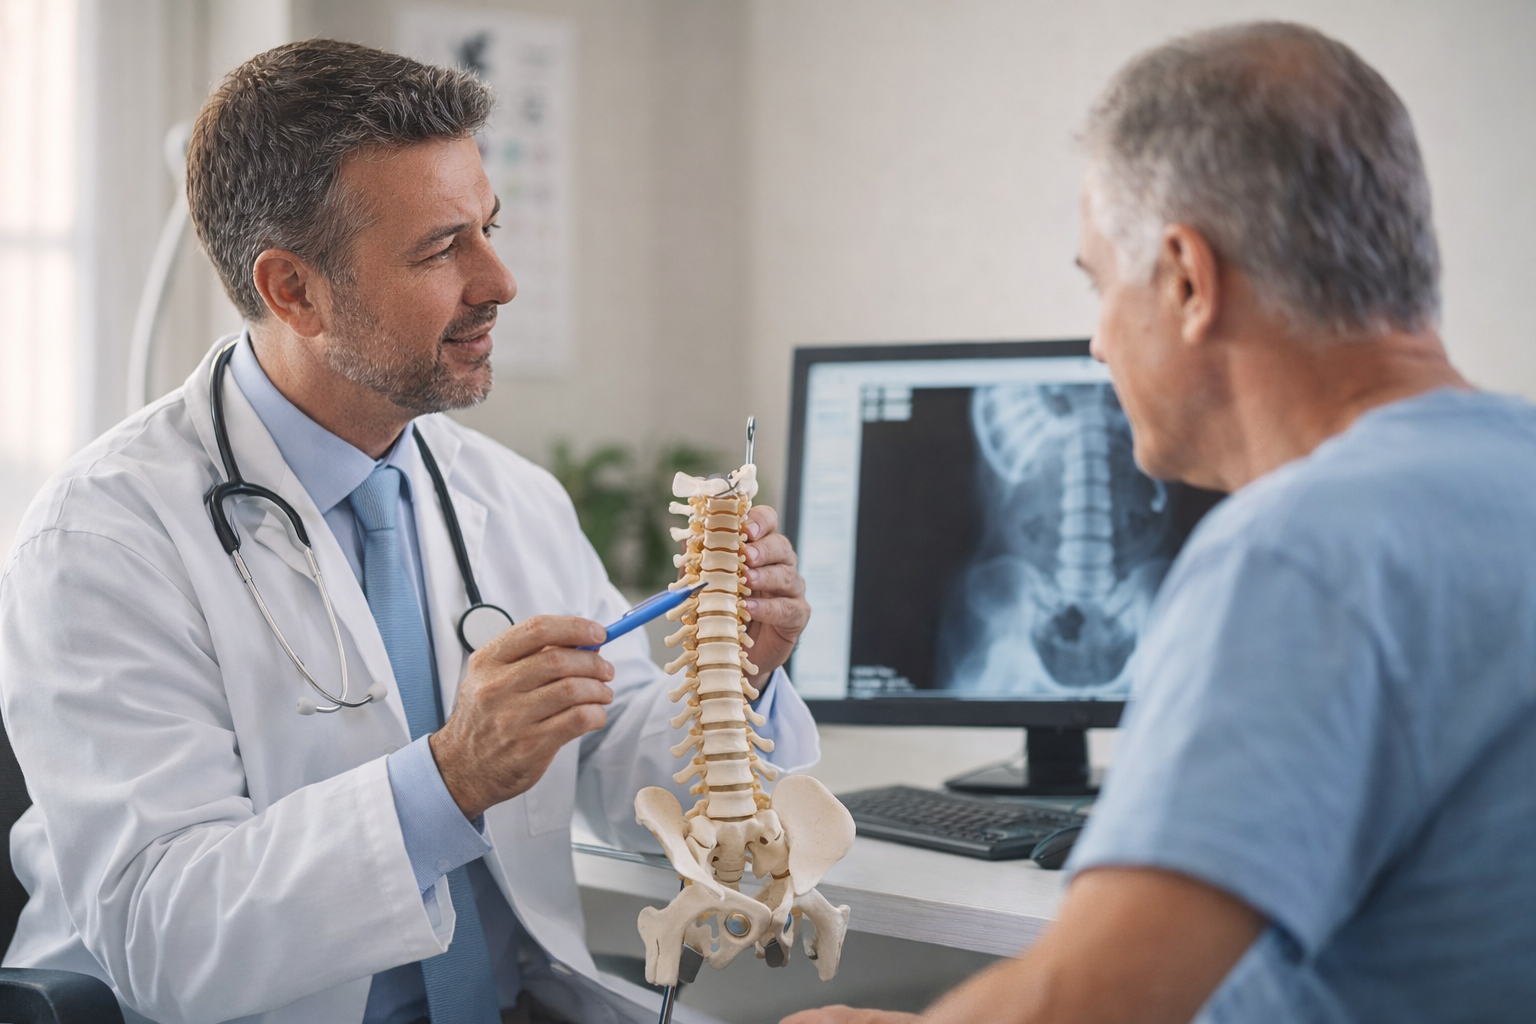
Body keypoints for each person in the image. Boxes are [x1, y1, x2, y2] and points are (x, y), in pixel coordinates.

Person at [0, 40, 817, 1024]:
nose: (500, 280)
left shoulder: (509, 497)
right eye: (441, 249)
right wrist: (450, 779)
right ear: (293, 290)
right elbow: (166, 940)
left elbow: (628, 778)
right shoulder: (103, 541)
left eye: (489, 228)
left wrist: (737, 675)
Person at [786, 21, 1536, 1024]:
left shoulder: (1298, 554)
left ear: (1186, 278)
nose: (1098, 341)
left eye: (1100, 283)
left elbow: (1093, 1003)